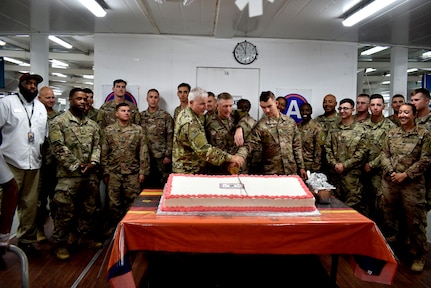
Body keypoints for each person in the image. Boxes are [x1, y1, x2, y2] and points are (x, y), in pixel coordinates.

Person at [49, 88, 102, 260]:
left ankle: (83, 237)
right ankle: (60, 244)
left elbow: (97, 146)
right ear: (70, 99)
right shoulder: (59, 122)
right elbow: (57, 147)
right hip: (68, 176)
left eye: (85, 99)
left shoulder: (92, 125)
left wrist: (93, 163)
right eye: (79, 98)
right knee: (65, 212)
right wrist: (76, 165)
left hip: (89, 174)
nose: (82, 101)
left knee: (88, 209)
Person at [0, 73, 47, 258]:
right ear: (20, 85)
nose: (32, 87)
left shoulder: (41, 107)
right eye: (28, 83)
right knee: (5, 205)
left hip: (33, 163)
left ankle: (27, 242)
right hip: (10, 162)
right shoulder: (7, 103)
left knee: (30, 205)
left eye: (35, 84)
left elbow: (43, 136)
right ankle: (0, 246)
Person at [381, 103, 431, 272]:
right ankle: (400, 247)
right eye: (400, 112)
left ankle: (419, 255)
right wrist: (391, 172)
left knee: (414, 221)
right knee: (392, 215)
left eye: (406, 112)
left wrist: (406, 175)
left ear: (414, 114)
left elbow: (425, 160)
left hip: (412, 185)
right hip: (392, 182)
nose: (402, 115)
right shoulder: (391, 133)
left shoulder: (424, 135)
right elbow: (384, 155)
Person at [101, 102, 149, 236]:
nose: (127, 113)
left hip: (132, 173)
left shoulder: (138, 130)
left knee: (133, 203)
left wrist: (142, 171)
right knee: (114, 204)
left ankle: (132, 230)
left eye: (128, 111)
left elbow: (143, 152)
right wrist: (105, 171)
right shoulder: (108, 130)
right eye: (123, 110)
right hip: (114, 173)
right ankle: (115, 230)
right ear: (116, 113)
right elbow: (104, 152)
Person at [236, 91, 307, 179]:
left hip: (291, 171)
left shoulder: (290, 122)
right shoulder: (261, 126)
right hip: (271, 172)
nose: (267, 110)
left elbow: (297, 146)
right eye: (263, 107)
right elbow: (249, 145)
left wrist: (301, 167)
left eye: (269, 106)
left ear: (276, 103)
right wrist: (239, 157)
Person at [172, 87, 244, 174]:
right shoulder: (190, 123)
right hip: (188, 171)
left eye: (206, 103)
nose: (205, 107)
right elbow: (204, 150)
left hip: (192, 167)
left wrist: (239, 127)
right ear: (191, 103)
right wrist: (230, 158)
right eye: (202, 104)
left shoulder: (192, 113)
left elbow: (241, 114)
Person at [324, 98, 369, 213]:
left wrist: (345, 165)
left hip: (352, 178)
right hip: (334, 176)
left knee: (351, 210)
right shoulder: (333, 128)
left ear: (352, 110)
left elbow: (361, 153)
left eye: (346, 108)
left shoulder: (361, 129)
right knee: (333, 208)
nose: (342, 111)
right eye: (340, 108)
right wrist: (334, 164)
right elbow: (327, 148)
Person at [362, 94, 396, 225]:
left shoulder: (391, 127)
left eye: (378, 105)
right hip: (361, 171)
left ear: (384, 106)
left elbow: (389, 151)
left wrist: (372, 164)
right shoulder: (362, 125)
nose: (375, 108)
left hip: (380, 172)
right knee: (364, 204)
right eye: (373, 105)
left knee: (380, 205)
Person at [36, 86, 61, 242]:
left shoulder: (59, 118)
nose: (51, 100)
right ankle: (38, 229)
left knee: (57, 200)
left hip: (56, 165)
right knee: (39, 200)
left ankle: (57, 230)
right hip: (39, 165)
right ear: (40, 99)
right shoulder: (35, 116)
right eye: (48, 97)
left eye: (53, 97)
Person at [140, 89, 173, 188]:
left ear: (158, 99)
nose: (153, 100)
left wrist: (168, 155)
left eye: (155, 97)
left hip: (161, 157)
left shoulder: (165, 116)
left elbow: (170, 136)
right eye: (151, 97)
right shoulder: (141, 116)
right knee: (146, 186)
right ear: (147, 99)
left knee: (162, 185)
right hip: (146, 157)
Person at [205, 92, 236, 174]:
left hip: (234, 165)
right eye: (225, 106)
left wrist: (240, 128)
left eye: (230, 106)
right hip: (216, 167)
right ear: (217, 106)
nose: (228, 109)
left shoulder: (236, 118)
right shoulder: (208, 122)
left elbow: (248, 119)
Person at [233, 99, 259, 173]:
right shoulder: (231, 120)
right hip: (229, 158)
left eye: (246, 107)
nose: (243, 109)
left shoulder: (253, 123)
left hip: (245, 159)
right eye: (241, 107)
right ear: (237, 107)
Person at [297, 103, 324, 172]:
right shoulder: (297, 127)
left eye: (307, 110)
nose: (304, 113)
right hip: (299, 164)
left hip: (310, 165)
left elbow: (318, 150)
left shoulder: (317, 128)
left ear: (311, 111)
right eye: (302, 110)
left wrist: (315, 168)